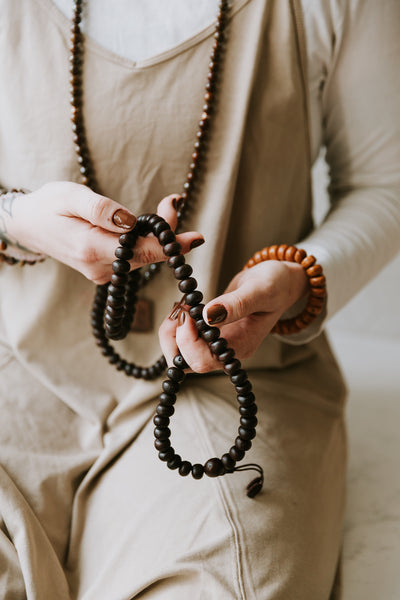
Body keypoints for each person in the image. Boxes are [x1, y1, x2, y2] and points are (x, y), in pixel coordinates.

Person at [0, 0, 399, 598]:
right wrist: (15, 218)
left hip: (236, 381)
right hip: (19, 362)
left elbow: (382, 184)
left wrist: (293, 280)